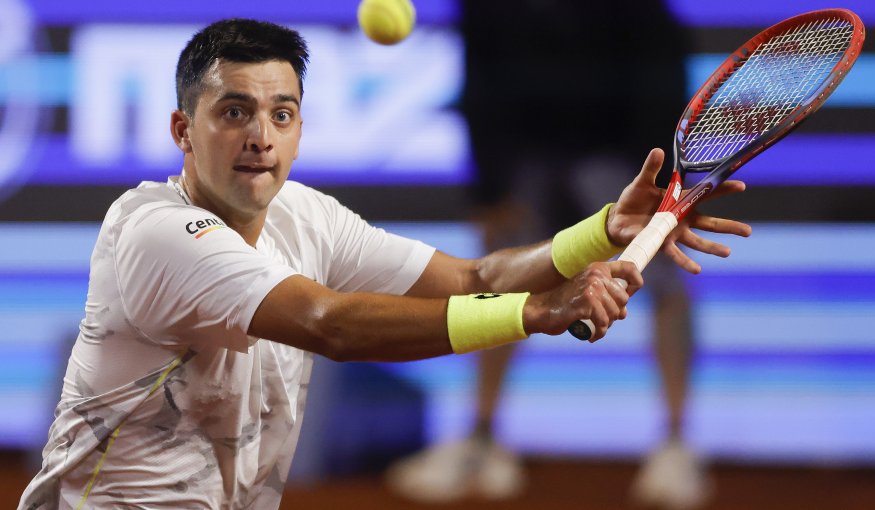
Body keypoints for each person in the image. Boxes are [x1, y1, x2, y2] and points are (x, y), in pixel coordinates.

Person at [18, 18, 749, 509]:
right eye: (233, 111)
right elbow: (329, 323)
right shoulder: (155, 230)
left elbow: (473, 277)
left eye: (281, 114)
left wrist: (600, 231)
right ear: (183, 128)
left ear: (300, 128)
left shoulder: (308, 216)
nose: (260, 136)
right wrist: (535, 314)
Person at [385, 1, 709, 508]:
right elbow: (483, 72)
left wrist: (665, 179)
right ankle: (481, 439)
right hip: (524, 158)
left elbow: (658, 60)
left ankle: (675, 445)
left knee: (666, 287)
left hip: (624, 157)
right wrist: (488, 187)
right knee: (493, 291)